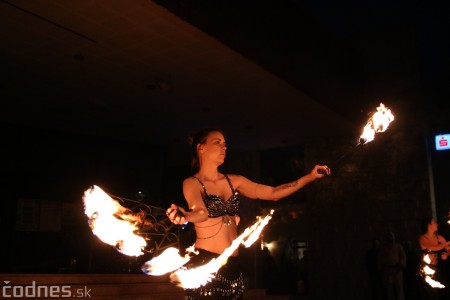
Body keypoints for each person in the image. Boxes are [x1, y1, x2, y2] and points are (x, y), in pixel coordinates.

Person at [166, 128, 330, 299]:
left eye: (225, 144)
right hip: (206, 262)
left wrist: (308, 177)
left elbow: (273, 193)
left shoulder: (234, 181)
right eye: (217, 142)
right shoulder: (192, 183)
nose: (224, 147)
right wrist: (186, 216)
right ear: (201, 148)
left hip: (232, 264)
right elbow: (201, 212)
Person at [418, 217, 450, 299]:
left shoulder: (439, 238)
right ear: (429, 225)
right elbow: (435, 248)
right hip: (427, 270)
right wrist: (448, 242)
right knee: (431, 294)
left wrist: (447, 254)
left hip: (438, 269)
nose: (437, 224)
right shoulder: (422, 239)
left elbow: (449, 249)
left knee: (442, 292)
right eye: (434, 222)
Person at [377, 232, 406, 300]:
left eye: (391, 238)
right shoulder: (383, 248)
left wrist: (401, 265)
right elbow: (380, 258)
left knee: (399, 287)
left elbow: (403, 256)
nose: (390, 239)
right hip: (388, 270)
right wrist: (380, 268)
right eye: (388, 238)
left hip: (397, 269)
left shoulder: (398, 246)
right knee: (389, 288)